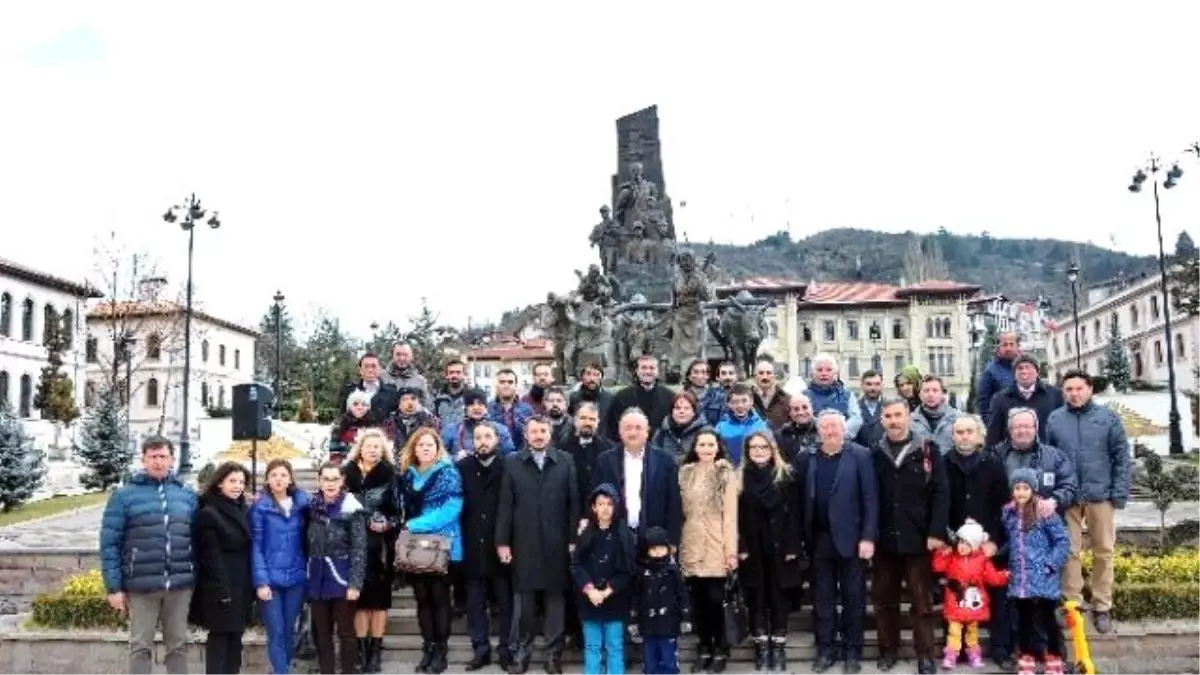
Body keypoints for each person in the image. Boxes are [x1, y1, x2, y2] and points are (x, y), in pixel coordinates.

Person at [99, 436, 197, 675]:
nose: (158, 462)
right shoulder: (123, 496)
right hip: (142, 585)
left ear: (172, 459)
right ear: (143, 460)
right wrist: (114, 588)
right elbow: (109, 543)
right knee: (140, 646)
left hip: (179, 585)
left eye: (163, 456)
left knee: (178, 646)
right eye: (153, 457)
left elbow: (198, 538)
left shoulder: (186, 495)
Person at [1046, 370, 1131, 633]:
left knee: (1103, 550)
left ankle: (1102, 604)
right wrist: (1051, 493)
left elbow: (1122, 457)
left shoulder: (1107, 418)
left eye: (1078, 388)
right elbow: (1048, 458)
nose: (1074, 393)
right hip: (1067, 496)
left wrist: (1119, 493)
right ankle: (1073, 602)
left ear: (1090, 389)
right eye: (1068, 389)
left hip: (1100, 494)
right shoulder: (1055, 419)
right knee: (1069, 551)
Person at [870, 398, 949, 675]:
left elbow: (941, 493)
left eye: (898, 415)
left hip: (919, 539)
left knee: (921, 602)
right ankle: (888, 650)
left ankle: (925, 655)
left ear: (908, 417)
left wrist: (937, 532)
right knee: (885, 601)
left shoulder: (928, 450)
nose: (893, 420)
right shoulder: (875, 452)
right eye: (888, 416)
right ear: (882, 421)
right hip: (885, 540)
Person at [496, 416, 581, 675]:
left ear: (550, 434)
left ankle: (553, 656)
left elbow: (573, 503)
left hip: (557, 543)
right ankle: (522, 654)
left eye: (543, 431)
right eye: (534, 431)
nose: (539, 435)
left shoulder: (565, 460)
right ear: (526, 434)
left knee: (556, 603)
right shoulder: (512, 462)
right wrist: (502, 542)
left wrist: (573, 540)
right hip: (524, 542)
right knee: (525, 605)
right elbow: (505, 505)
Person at [796, 411, 877, 674]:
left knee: (854, 598)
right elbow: (800, 501)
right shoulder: (806, 458)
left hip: (852, 541)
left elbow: (870, 500)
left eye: (834, 426)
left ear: (844, 429)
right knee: (823, 599)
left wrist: (867, 537)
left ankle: (853, 651)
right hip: (819, 541)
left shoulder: (861, 455)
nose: (830, 431)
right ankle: (825, 650)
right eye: (825, 427)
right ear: (818, 431)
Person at [942, 415, 1015, 669]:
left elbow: (1004, 507)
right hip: (957, 547)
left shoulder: (993, 464)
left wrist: (994, 540)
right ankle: (956, 649)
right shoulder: (944, 464)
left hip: (988, 544)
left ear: (979, 435)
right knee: (955, 596)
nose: (964, 436)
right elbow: (939, 505)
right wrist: (951, 539)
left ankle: (1000, 649)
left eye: (969, 431)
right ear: (952, 436)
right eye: (959, 432)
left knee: (999, 599)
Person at [396, 426, 464, 675]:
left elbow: (452, 509)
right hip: (414, 548)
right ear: (414, 448)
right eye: (420, 445)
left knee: (439, 599)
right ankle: (428, 647)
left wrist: (415, 524)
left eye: (430, 445)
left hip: (442, 546)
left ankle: (441, 650)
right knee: (422, 599)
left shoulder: (448, 474)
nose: (425, 448)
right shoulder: (408, 475)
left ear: (438, 448)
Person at [737, 431, 804, 672]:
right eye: (754, 447)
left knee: (778, 598)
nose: (759, 451)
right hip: (752, 549)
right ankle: (761, 648)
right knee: (756, 598)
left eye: (763, 447)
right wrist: (740, 547)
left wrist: (793, 545)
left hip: (780, 547)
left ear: (772, 449)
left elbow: (796, 514)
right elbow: (734, 518)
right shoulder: (739, 478)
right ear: (747, 451)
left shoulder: (785, 475)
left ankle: (778, 647)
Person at [677, 429, 739, 673]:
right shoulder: (685, 473)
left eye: (710, 444)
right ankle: (704, 647)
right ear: (695, 447)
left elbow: (731, 516)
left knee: (716, 601)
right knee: (699, 602)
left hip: (717, 542)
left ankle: (721, 648)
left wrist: (731, 552)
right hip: (691, 541)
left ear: (718, 447)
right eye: (701, 444)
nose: (706, 449)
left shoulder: (725, 473)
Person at [457, 422, 515, 670]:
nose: (482, 441)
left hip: (501, 546)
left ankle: (505, 650)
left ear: (497, 440)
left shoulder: (509, 467)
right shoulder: (461, 468)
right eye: (477, 437)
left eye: (487, 437)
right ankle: (480, 649)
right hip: (472, 545)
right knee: (475, 603)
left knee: (504, 604)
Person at [343, 428, 400, 672]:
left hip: (380, 548)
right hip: (351, 544)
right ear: (360, 448)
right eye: (369, 445)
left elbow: (398, 513)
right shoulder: (346, 473)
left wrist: (387, 523)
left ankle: (375, 652)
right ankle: (361, 650)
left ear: (383, 449)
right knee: (359, 600)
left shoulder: (390, 475)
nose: (373, 450)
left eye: (378, 446)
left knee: (378, 603)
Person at [1002, 468, 1070, 675]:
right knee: (1024, 618)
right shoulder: (1009, 514)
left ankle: (1054, 655)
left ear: (1033, 489)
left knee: (1048, 617)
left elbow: (1062, 541)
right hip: (1022, 576)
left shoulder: (1045, 512)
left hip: (1044, 574)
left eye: (1025, 488)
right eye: (1017, 488)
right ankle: (1026, 655)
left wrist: (1051, 564)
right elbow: (1009, 542)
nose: (1021, 492)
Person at [251, 459, 310, 675]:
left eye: (283, 475)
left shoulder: (302, 506)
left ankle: (279, 670)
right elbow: (256, 545)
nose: (279, 479)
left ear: (290, 478)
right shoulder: (260, 508)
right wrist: (261, 581)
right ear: (267, 479)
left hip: (296, 578)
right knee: (275, 631)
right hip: (271, 580)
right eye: (274, 475)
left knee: (288, 630)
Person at [306, 461, 366, 675]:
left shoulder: (352, 508)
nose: (330, 483)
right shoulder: (311, 507)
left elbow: (359, 548)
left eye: (335, 479)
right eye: (326, 479)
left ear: (342, 481)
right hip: (317, 577)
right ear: (319, 481)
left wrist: (355, 583)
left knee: (346, 632)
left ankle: (348, 671)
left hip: (341, 576)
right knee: (321, 633)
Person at [571, 483, 638, 675]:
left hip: (614, 600)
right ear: (593, 507)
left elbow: (628, 571)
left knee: (614, 646)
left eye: (609, 503)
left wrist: (607, 591)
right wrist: (590, 590)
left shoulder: (624, 535)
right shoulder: (585, 534)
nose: (605, 508)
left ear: (616, 506)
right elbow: (576, 565)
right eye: (600, 504)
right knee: (592, 646)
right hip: (589, 600)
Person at [593, 408, 684, 547]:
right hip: (614, 539)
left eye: (638, 428)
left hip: (654, 540)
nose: (633, 432)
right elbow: (594, 499)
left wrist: (671, 541)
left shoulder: (664, 461)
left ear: (647, 431)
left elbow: (673, 503)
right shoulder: (604, 460)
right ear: (620, 431)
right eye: (628, 428)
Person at [931, 520, 1009, 669]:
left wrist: (1004, 576)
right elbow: (937, 566)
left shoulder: (982, 560)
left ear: (974, 545)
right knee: (954, 630)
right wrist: (942, 553)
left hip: (974, 600)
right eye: (960, 542)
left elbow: (991, 577)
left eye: (967, 544)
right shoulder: (952, 556)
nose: (962, 546)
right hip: (956, 600)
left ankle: (974, 655)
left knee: (972, 631)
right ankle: (951, 656)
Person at [630, 527, 692, 675]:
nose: (657, 552)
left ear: (667, 549)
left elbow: (683, 596)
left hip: (669, 624)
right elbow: (636, 597)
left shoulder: (673, 571)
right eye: (653, 548)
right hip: (648, 625)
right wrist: (633, 620)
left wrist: (686, 618)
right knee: (650, 661)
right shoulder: (642, 573)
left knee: (669, 660)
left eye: (661, 548)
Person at [995, 408, 1077, 513]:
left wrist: (1053, 501)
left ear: (1036, 428)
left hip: (1044, 521)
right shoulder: (996, 456)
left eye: (1027, 426)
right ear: (1010, 430)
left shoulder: (1055, 457)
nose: (1022, 431)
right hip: (1006, 521)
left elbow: (1069, 485)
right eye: (1017, 427)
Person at [984, 354, 1064, 448]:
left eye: (1028, 367)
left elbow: (1061, 427)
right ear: (1014, 374)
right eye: (1020, 368)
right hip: (1012, 456)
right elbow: (994, 433)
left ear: (1037, 371)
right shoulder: (1000, 399)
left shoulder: (1054, 394)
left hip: (1047, 455)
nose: (1024, 371)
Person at [606, 354, 675, 439]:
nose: (648, 371)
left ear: (657, 371)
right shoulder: (621, 397)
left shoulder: (670, 396)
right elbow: (612, 428)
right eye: (644, 368)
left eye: (652, 368)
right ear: (637, 371)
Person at [801, 353, 864, 440]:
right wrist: (823, 434)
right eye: (819, 370)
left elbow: (856, 419)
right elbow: (802, 418)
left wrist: (837, 435)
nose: (824, 373)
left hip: (844, 445)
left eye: (828, 370)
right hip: (813, 444)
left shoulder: (847, 395)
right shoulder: (803, 396)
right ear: (813, 373)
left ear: (835, 372)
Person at [443, 388, 516, 457]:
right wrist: (456, 458)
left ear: (486, 408)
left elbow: (510, 456)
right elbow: (440, 457)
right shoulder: (451, 430)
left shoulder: (500, 430)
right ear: (465, 408)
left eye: (480, 404)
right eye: (471, 404)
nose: (476, 408)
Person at [715, 383, 774, 465]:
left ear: (752, 401)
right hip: (731, 474)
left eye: (744, 401)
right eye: (735, 401)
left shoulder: (763, 425)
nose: (740, 405)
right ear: (729, 404)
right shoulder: (720, 428)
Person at [339, 352, 400, 423]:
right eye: (366, 366)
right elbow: (342, 418)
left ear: (380, 369)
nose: (370, 370)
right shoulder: (350, 391)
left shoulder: (391, 392)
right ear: (360, 370)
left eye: (374, 366)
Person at [380, 386, 440, 458]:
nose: (409, 403)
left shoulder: (429, 421)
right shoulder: (389, 423)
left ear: (419, 402)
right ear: (399, 404)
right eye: (404, 399)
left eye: (413, 399)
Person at [977, 331, 1020, 427]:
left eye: (1011, 344)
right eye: (1004, 345)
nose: (1008, 348)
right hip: (1002, 426)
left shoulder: (1025, 366)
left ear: (1017, 346)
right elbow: (983, 402)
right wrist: (991, 426)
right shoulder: (990, 371)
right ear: (999, 347)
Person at [651, 390, 709, 460]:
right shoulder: (661, 434)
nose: (681, 411)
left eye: (686, 408)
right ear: (672, 411)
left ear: (694, 412)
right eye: (677, 408)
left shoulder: (706, 433)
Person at [910, 375, 961, 455]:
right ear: (920, 395)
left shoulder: (958, 419)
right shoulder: (910, 421)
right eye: (926, 391)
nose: (930, 394)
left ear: (942, 394)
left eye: (935, 390)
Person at [489, 368, 536, 449]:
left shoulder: (527, 410)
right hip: (496, 457)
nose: (506, 385)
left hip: (521, 457)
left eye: (510, 382)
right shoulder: (488, 409)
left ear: (516, 385)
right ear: (496, 385)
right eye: (502, 382)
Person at [568, 363, 614, 438]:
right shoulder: (574, 397)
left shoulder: (610, 398)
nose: (592, 379)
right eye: (588, 374)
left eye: (596, 375)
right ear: (582, 377)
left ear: (602, 377)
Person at [329, 391, 375, 464]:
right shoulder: (339, 424)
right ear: (349, 407)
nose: (360, 407)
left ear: (368, 407)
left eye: (364, 405)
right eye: (355, 404)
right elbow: (334, 451)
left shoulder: (373, 426)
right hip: (344, 466)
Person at [380, 341, 431, 406]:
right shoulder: (381, 377)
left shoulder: (420, 381)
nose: (402, 358)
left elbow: (426, 406)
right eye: (398, 354)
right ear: (393, 355)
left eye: (405, 355)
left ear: (411, 357)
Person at [683, 358, 728, 426]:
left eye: (703, 372)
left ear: (707, 376)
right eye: (696, 372)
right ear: (689, 376)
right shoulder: (682, 398)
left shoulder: (718, 397)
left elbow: (724, 421)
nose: (700, 376)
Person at [776, 393, 819, 462]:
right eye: (796, 409)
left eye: (805, 407)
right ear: (790, 413)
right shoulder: (784, 433)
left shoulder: (823, 429)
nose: (801, 412)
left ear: (812, 408)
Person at [751, 360, 790, 430]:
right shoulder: (746, 399)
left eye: (768, 373)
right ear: (755, 377)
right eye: (761, 373)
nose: (765, 376)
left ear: (774, 377)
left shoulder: (788, 400)